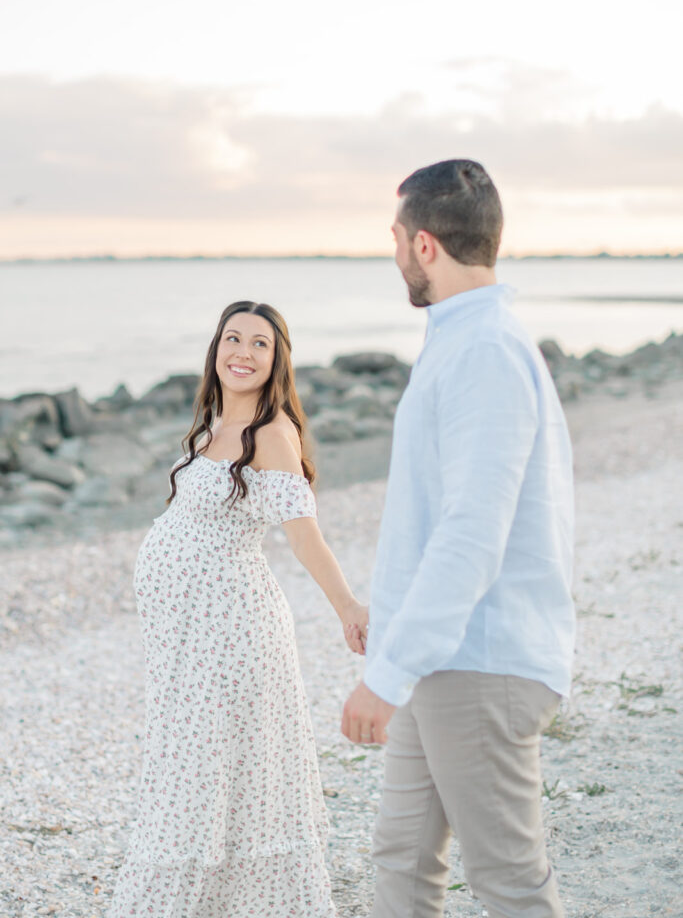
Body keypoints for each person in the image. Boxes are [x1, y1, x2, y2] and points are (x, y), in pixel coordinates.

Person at [342, 160, 575, 917]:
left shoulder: (483, 351)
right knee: (403, 863)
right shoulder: (460, 340)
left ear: (426, 246)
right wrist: (398, 636)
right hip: (437, 660)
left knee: (509, 884)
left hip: (478, 662)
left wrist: (388, 671)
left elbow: (473, 532)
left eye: (397, 238)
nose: (396, 254)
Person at [109, 300, 368, 918]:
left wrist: (348, 606)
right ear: (216, 350)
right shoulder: (209, 426)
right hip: (185, 637)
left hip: (231, 632)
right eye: (233, 339)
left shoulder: (273, 434)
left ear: (277, 360)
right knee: (198, 764)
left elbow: (306, 538)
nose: (243, 354)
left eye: (259, 344)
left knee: (206, 771)